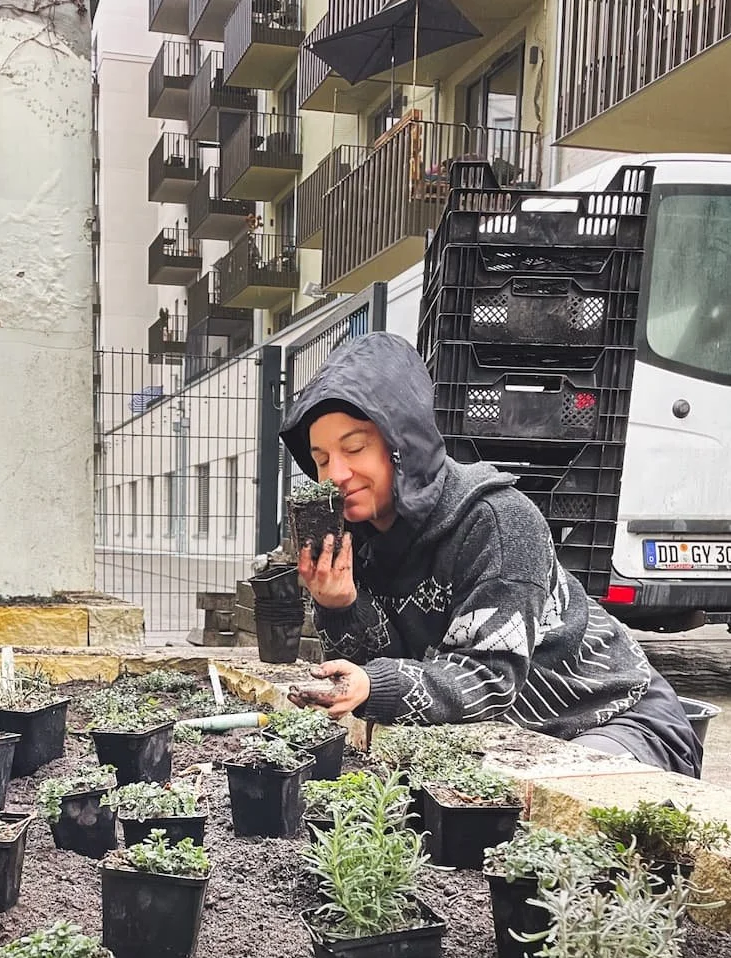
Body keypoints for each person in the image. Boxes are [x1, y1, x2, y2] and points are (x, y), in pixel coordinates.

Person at [279, 332, 703, 778]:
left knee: (543, 808)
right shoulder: (352, 535)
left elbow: (488, 678)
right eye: (322, 458)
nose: (336, 474)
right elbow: (391, 678)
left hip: (615, 717)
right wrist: (341, 605)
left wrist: (373, 685)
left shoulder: (497, 521)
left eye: (355, 447)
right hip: (509, 735)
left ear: (403, 443)